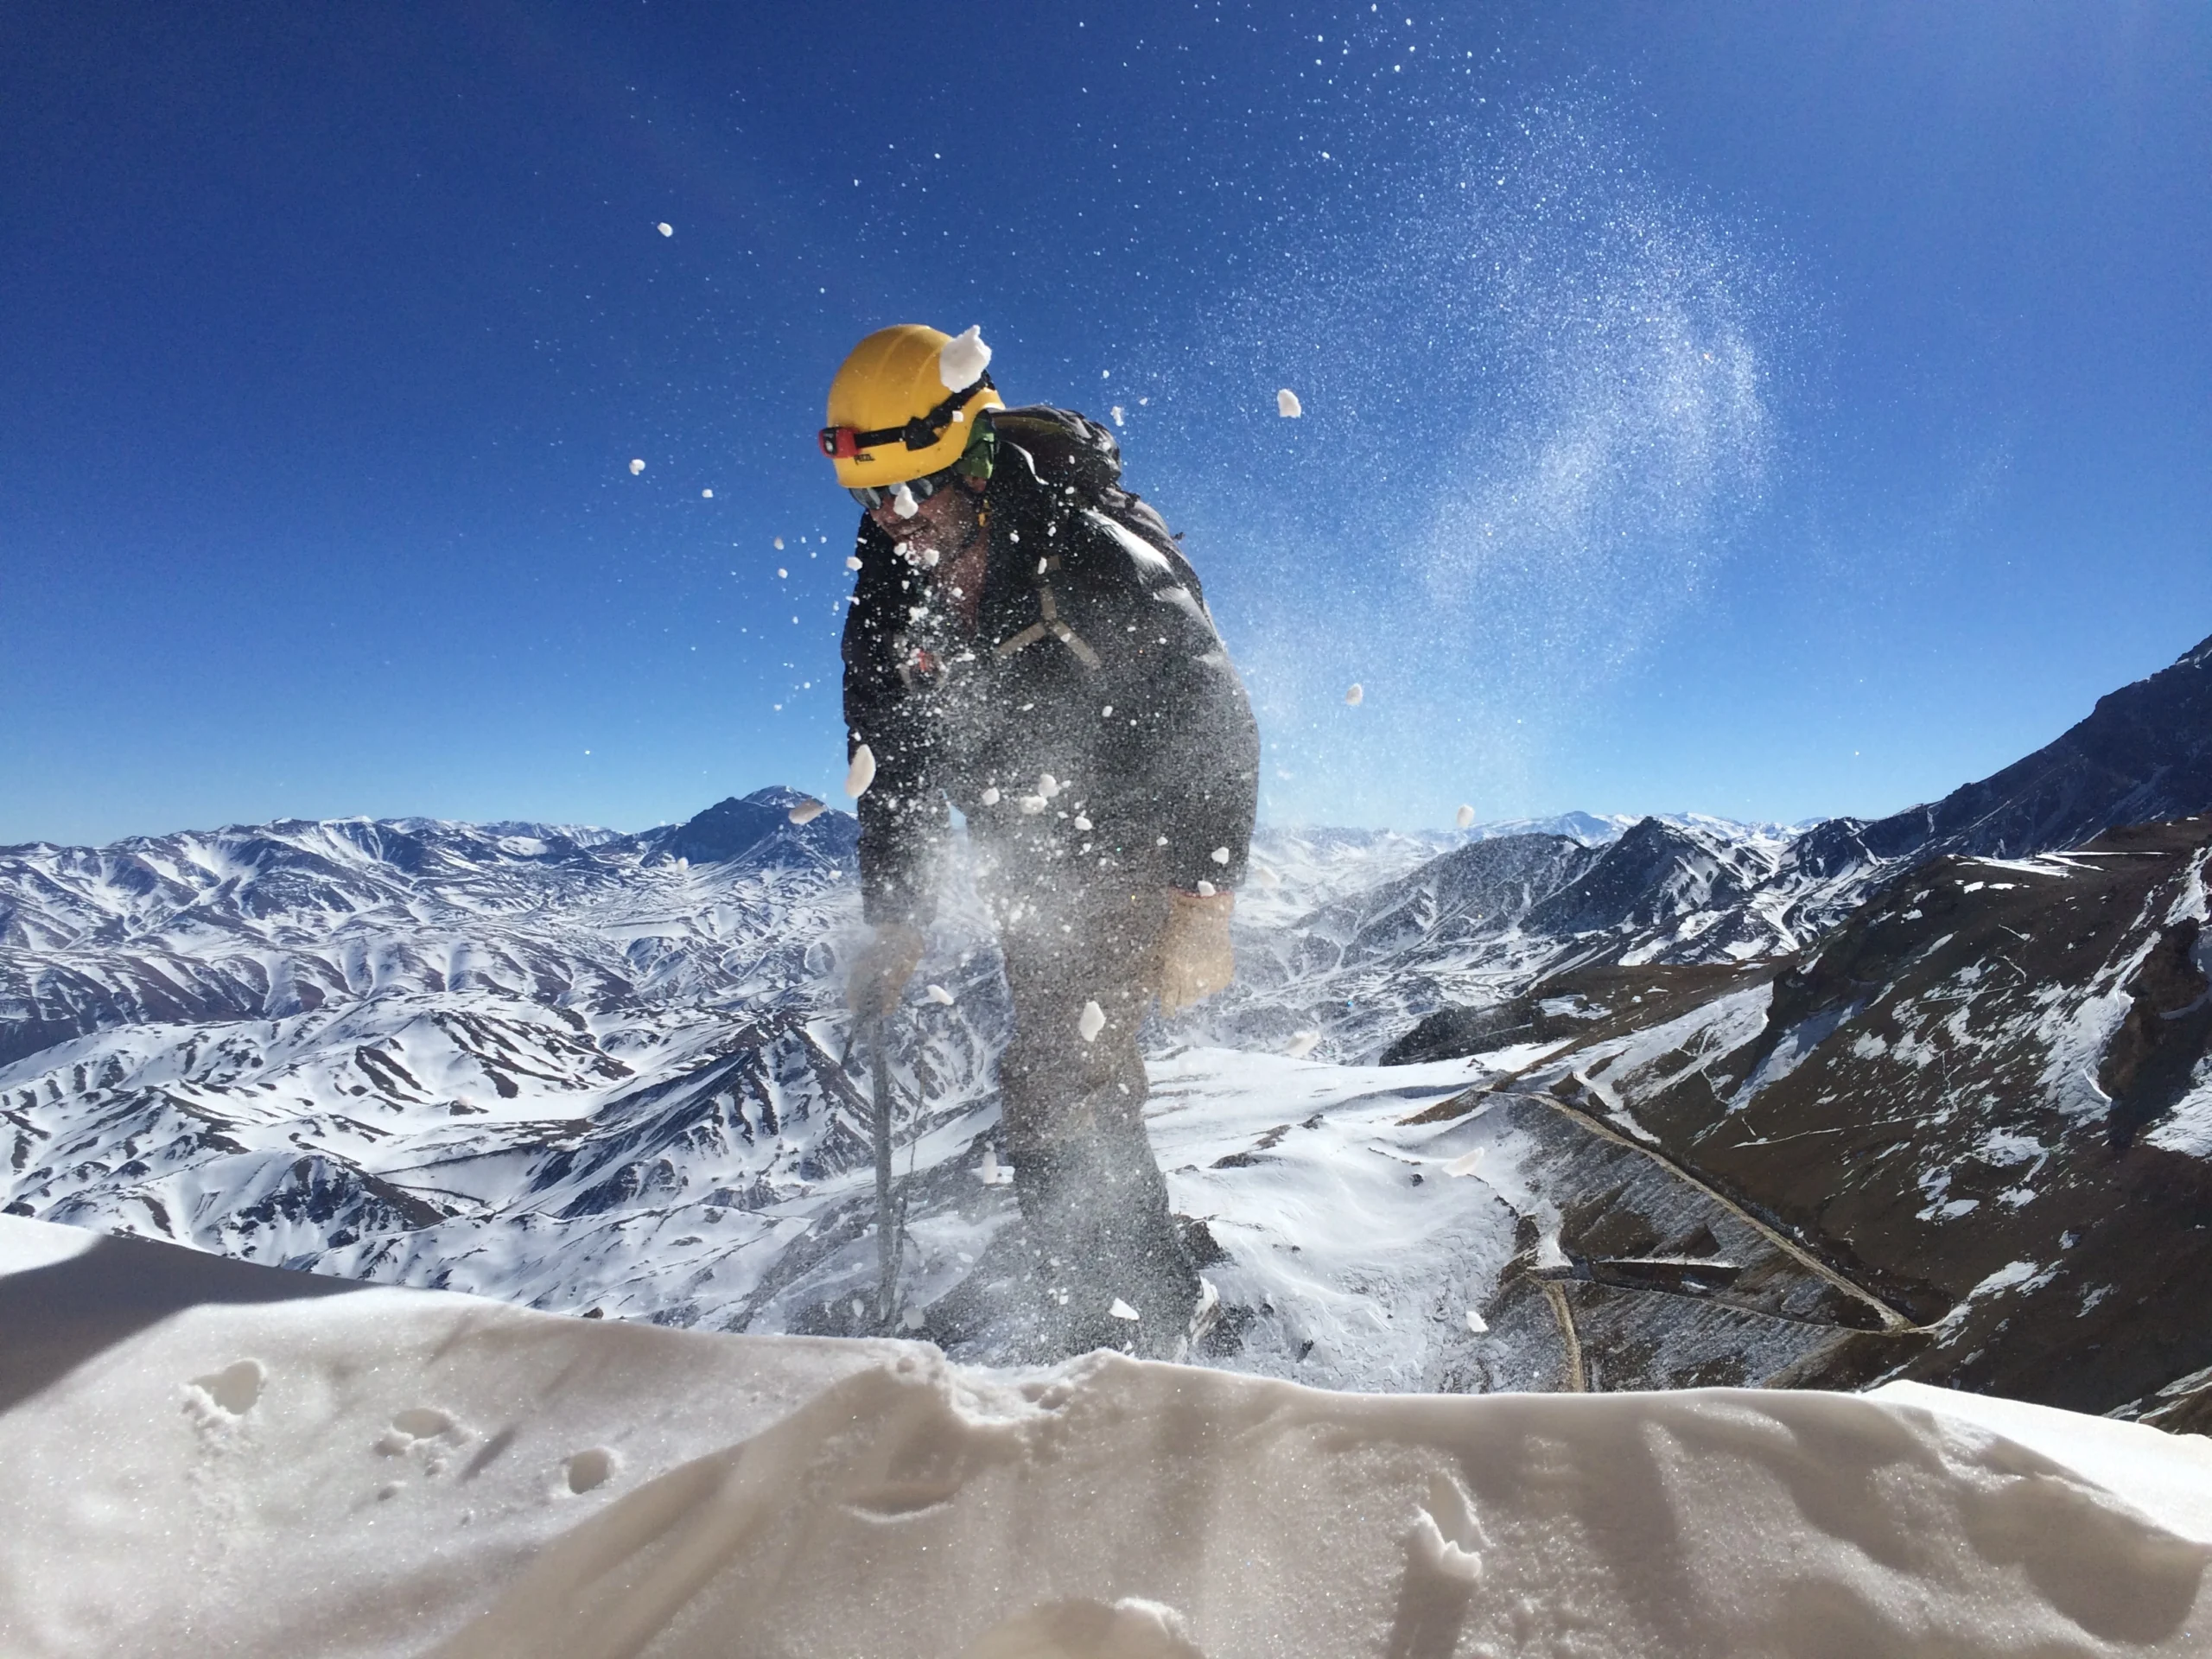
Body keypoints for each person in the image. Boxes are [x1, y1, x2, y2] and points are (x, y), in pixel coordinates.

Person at [824, 323, 1259, 1359]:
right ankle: (1124, 1270)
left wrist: (1202, 903)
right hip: (1029, 858)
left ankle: (1121, 1321)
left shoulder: (1092, 560)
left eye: (909, 491)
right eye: (869, 500)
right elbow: (892, 774)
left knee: (1054, 1083)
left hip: (1134, 841)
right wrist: (896, 920)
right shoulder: (890, 598)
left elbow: (1216, 726)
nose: (892, 522)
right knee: (1072, 1075)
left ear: (972, 464)